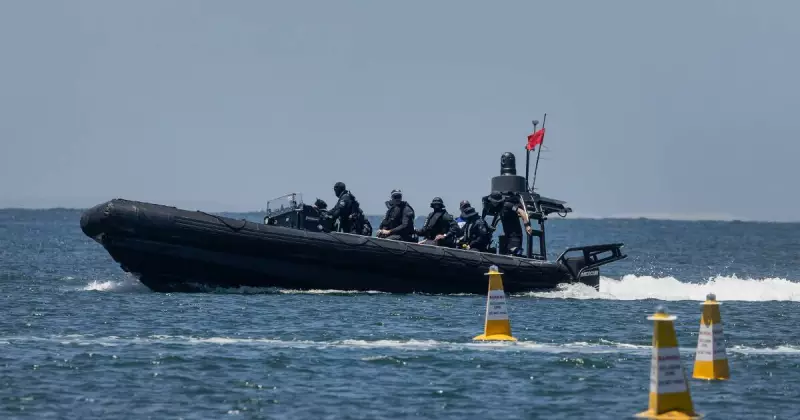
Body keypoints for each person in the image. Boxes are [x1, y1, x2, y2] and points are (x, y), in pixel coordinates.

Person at [484, 191, 533, 256]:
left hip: (515, 236)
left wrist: (527, 226)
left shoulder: (507, 205)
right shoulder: (498, 208)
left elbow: (522, 212)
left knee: (513, 253)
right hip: (507, 236)